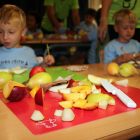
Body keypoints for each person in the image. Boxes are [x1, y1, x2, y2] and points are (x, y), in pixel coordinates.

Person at [0, 4, 55, 69]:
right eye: (0, 32)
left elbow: (36, 71)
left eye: (11, 32)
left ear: (23, 31)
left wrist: (45, 63)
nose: (5, 37)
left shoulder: (29, 52)